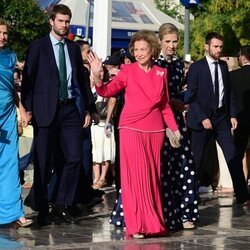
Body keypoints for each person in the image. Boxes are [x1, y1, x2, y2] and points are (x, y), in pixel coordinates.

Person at [88, 30, 180, 238]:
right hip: (130, 128)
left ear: (152, 50)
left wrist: (173, 129)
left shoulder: (160, 72)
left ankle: (153, 224)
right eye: (135, 49)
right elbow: (106, 92)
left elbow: (165, 105)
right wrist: (96, 75)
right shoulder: (126, 70)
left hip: (155, 131)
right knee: (135, 179)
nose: (138, 53)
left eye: (143, 49)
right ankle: (137, 225)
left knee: (152, 178)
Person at [21, 4, 91, 226]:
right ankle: (42, 208)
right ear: (51, 21)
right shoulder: (38, 47)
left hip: (69, 109)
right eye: (60, 21)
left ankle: (61, 203)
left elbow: (81, 80)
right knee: (42, 162)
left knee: (74, 157)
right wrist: (27, 108)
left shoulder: (72, 48)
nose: (64, 25)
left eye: (67, 21)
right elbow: (28, 82)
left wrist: (89, 109)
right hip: (44, 111)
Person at [185, 32, 250, 204]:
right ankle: (191, 196)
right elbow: (190, 96)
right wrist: (202, 118)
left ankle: (243, 195)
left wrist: (232, 114)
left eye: (220, 47)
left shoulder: (223, 66)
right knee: (196, 160)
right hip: (201, 120)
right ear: (207, 47)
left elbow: (228, 93)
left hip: (221, 118)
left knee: (232, 155)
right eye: (215, 46)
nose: (219, 50)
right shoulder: (196, 68)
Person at [155, 23, 199, 230]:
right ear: (160, 41)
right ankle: (162, 214)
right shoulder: (155, 64)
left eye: (175, 41)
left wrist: (182, 99)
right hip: (157, 122)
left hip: (177, 122)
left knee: (185, 166)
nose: (172, 46)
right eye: (168, 42)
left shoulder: (179, 64)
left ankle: (185, 213)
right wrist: (171, 102)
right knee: (161, 169)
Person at [0, 18, 32, 227]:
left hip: (8, 114)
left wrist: (21, 110)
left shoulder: (10, 55)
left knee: (10, 165)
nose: (2, 37)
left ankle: (13, 213)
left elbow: (12, 86)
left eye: (5, 33)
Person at [230, 45, 250, 182]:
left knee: (239, 153)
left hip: (239, 119)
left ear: (242, 56)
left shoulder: (233, 76)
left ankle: (240, 185)